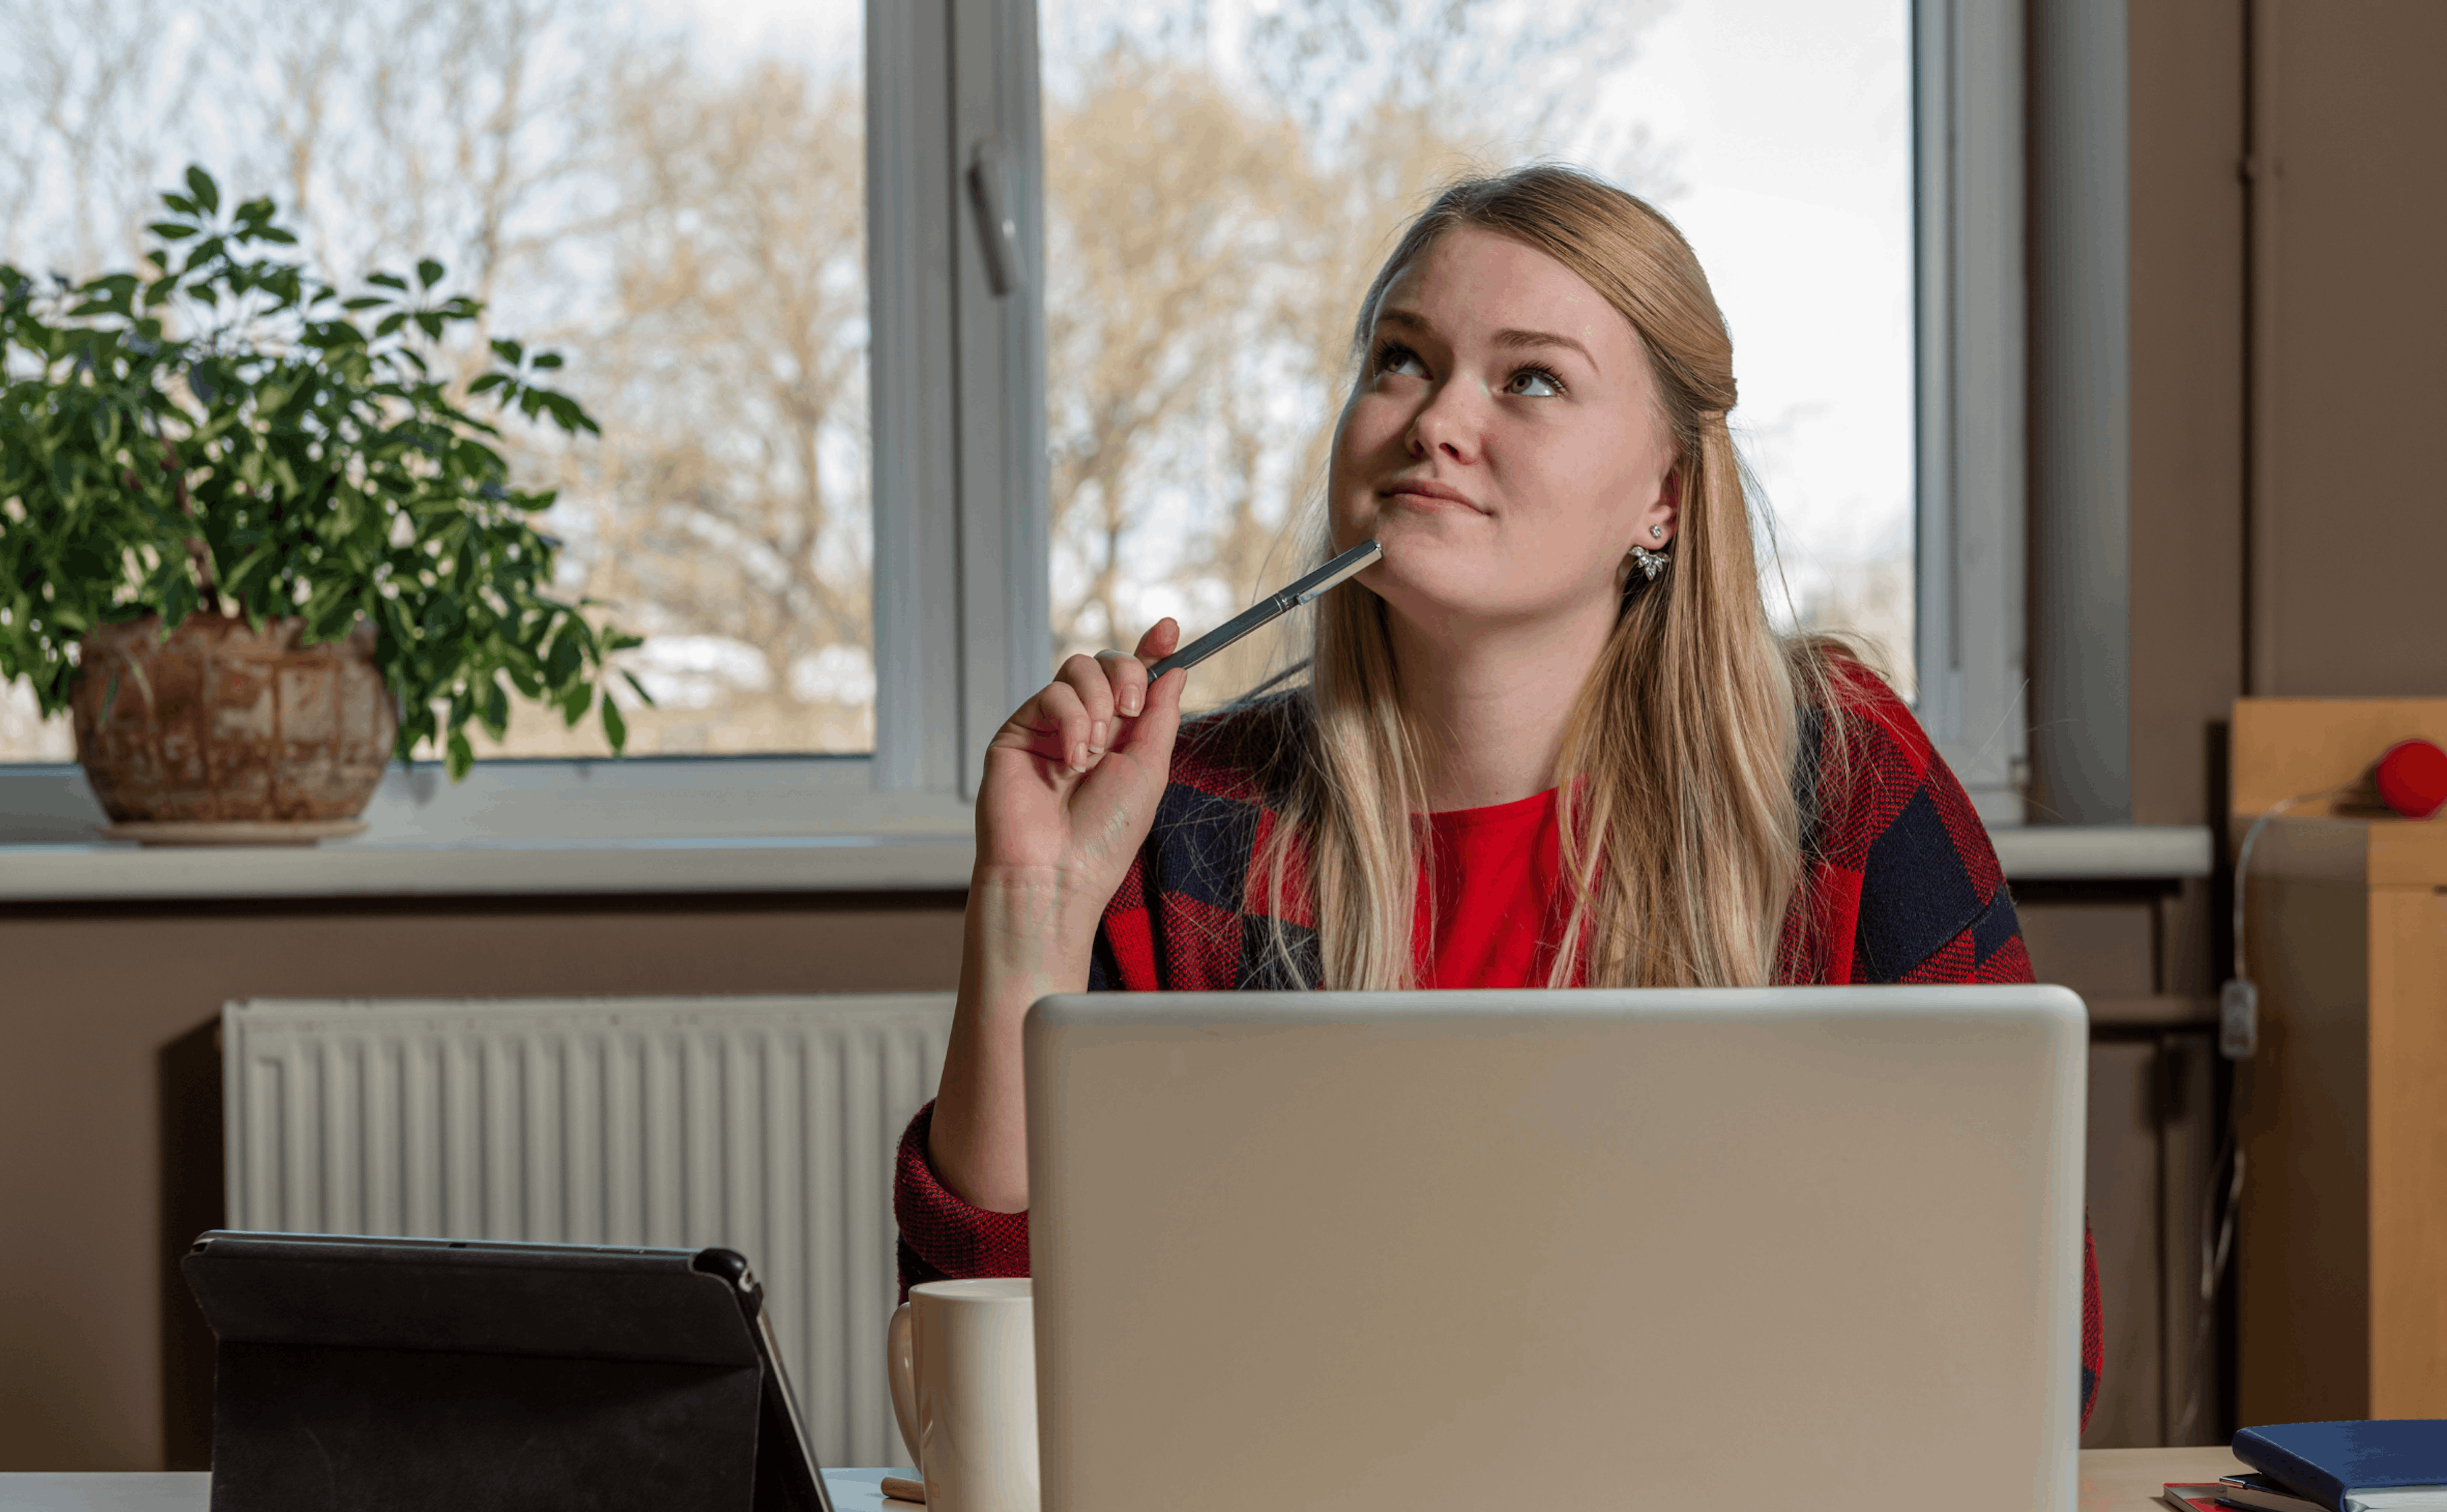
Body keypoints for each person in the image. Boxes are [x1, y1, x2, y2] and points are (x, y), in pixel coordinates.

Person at [893, 164, 2100, 1428]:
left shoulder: (1841, 778)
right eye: (1401, 360)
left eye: (1529, 378)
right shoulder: (1186, 817)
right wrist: (1034, 905)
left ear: (1666, 499)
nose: (1433, 421)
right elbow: (991, 1397)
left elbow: (2024, 1343)